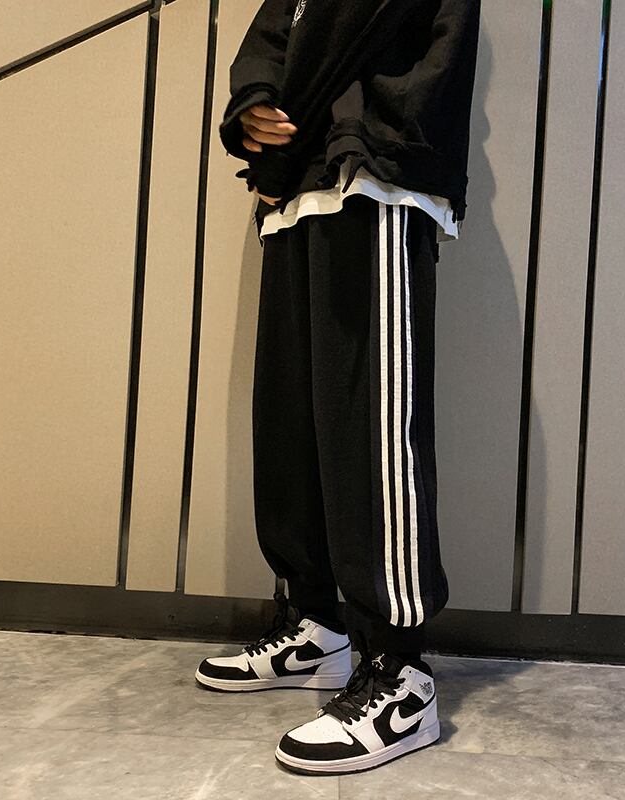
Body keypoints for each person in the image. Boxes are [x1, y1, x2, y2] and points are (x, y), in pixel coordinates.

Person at [195, 0, 481, 775]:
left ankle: (400, 671)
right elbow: (271, 34)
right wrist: (254, 103)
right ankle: (318, 623)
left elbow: (351, 25)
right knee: (291, 419)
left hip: (377, 167)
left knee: (369, 423)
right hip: (302, 184)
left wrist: (277, 146)